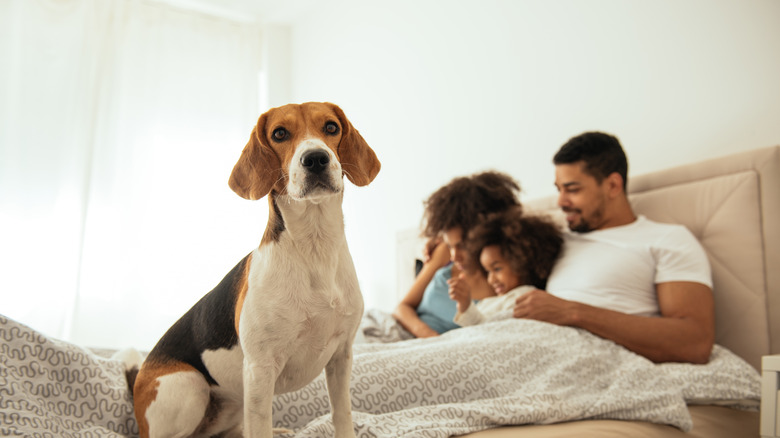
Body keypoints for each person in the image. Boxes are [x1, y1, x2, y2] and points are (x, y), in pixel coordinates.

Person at [513, 131, 715, 364]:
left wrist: (572, 312)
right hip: (530, 346)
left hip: (590, 360)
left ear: (612, 185)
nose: (560, 202)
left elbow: (695, 342)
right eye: (559, 189)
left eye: (573, 189)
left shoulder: (667, 240)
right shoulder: (555, 241)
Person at [392, 171, 521, 338]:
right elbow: (402, 307)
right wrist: (428, 336)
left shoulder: (503, 279)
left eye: (462, 246)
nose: (454, 256)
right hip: (402, 332)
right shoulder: (444, 251)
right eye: (451, 245)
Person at [450, 207, 563, 326]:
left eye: (497, 269)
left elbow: (491, 330)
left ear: (522, 262)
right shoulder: (489, 301)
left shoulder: (525, 297)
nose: (491, 280)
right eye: (487, 271)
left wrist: (466, 306)